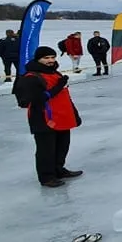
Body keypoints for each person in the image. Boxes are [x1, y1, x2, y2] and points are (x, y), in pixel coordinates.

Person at [13, 46, 83, 187]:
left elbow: (65, 96)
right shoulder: (31, 77)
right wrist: (58, 86)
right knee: (46, 150)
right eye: (46, 58)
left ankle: (58, 170)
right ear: (38, 59)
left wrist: (75, 114)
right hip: (44, 118)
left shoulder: (54, 73)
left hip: (62, 117)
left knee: (62, 146)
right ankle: (46, 177)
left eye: (52, 57)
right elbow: (34, 99)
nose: (50, 60)